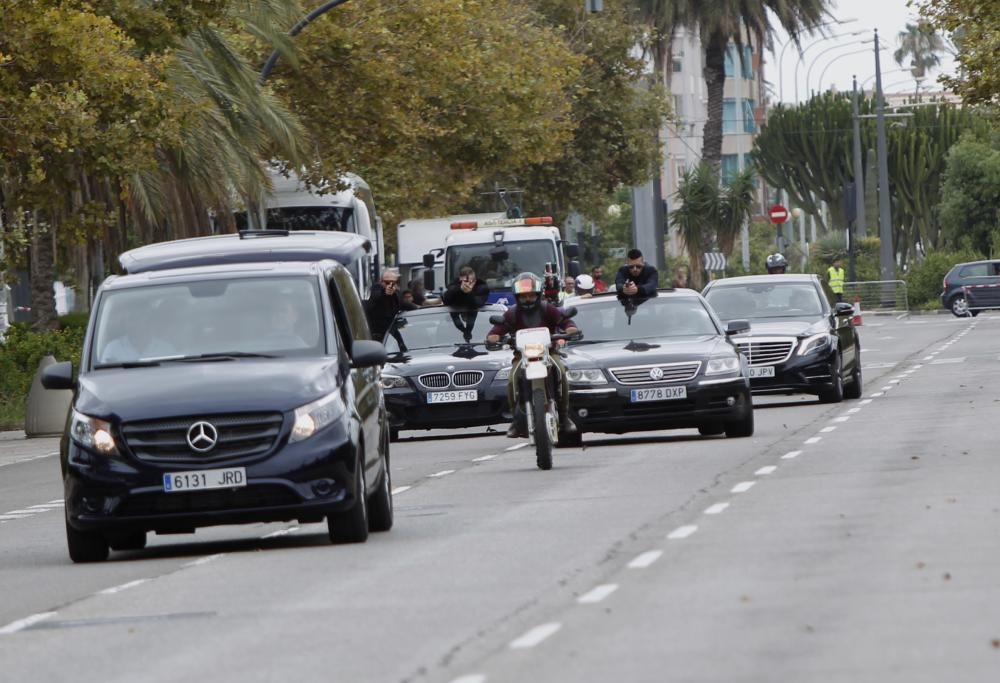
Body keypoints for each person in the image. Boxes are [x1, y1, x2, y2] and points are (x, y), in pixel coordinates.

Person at [486, 272, 580, 438]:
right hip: (522, 356)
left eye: (531, 295)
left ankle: (565, 417)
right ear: (517, 297)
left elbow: (565, 321)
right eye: (524, 296)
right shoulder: (512, 313)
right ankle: (516, 420)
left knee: (562, 373)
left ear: (538, 294)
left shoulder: (547, 309)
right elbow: (497, 330)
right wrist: (494, 337)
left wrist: (570, 329)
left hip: (549, 353)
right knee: (511, 379)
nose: (528, 299)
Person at [365, 268, 416, 341]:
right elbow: (376, 295)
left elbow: (405, 304)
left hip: (391, 331)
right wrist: (384, 292)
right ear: (381, 282)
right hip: (376, 334)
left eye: (393, 282)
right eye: (387, 282)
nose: (390, 285)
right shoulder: (376, 289)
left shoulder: (396, 294)